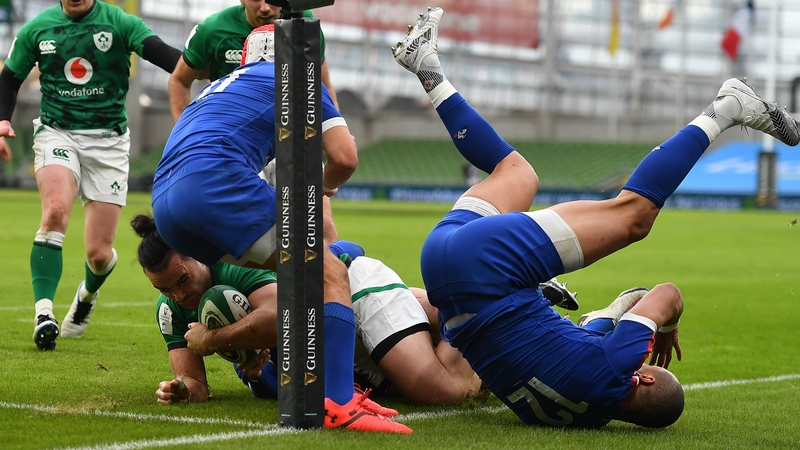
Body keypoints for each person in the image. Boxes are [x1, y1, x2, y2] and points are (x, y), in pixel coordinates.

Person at [391, 7, 800, 428]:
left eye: (643, 367)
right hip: (443, 269)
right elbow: (602, 319)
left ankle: (728, 106)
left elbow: (666, 293)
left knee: (633, 218)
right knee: (516, 175)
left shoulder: (617, 369)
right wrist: (626, 305)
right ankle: (427, 67)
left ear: (641, 377)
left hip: (486, 270)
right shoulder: (586, 413)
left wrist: (663, 327)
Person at [149, 30, 405, 433]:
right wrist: (322, 185)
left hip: (164, 206)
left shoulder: (218, 86)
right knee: (328, 273)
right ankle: (338, 401)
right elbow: (345, 157)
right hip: (214, 184)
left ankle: (265, 365)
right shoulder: (297, 79)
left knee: (297, 273)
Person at [0, 0, 182, 351]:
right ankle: (44, 314)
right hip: (58, 132)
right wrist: (3, 118)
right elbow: (9, 78)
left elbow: (165, 55)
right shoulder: (38, 29)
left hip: (109, 144)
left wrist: (202, 68)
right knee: (54, 211)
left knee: (99, 255)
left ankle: (86, 296)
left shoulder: (119, 23)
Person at [168, 0, 338, 122]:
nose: (265, 8)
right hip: (232, 132)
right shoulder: (212, 29)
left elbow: (322, 84)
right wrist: (182, 134)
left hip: (285, 133)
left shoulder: (303, 23)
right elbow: (180, 80)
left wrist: (337, 129)